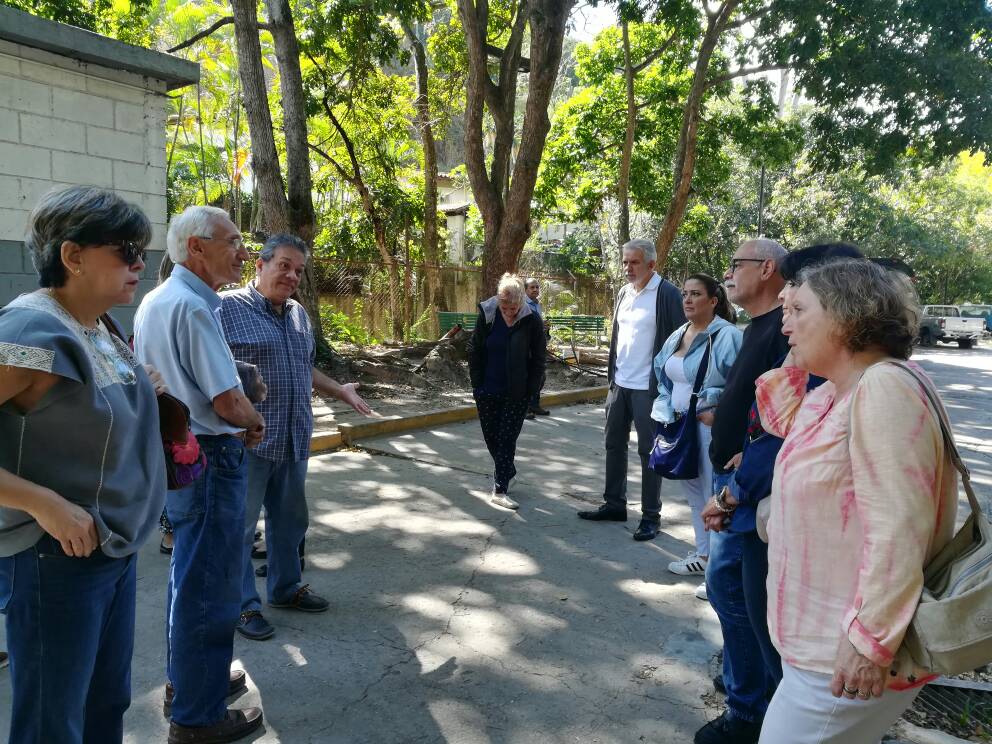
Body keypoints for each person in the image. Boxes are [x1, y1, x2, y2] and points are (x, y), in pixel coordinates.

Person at [755, 259, 958, 743]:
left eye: (800, 308)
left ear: (846, 318)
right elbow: (776, 414)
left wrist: (870, 642)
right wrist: (804, 338)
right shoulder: (837, 391)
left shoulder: (884, 387)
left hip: (842, 653)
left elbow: (899, 529)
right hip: (817, 643)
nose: (785, 319)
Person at [0, 186, 167, 743]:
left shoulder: (95, 323)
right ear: (72, 257)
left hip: (109, 549)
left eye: (142, 250)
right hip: (56, 556)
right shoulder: (30, 334)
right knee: (54, 719)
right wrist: (43, 504)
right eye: (124, 250)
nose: (140, 264)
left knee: (103, 703)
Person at [696, 243, 863, 744]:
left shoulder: (873, 386)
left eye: (798, 298)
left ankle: (756, 710)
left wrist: (735, 492)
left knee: (758, 615)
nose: (789, 312)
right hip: (752, 498)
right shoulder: (783, 340)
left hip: (760, 504)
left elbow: (782, 439)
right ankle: (756, 703)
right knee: (738, 599)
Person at [134, 206, 265, 744]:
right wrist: (254, 422)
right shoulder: (192, 307)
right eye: (232, 241)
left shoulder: (158, 299)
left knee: (190, 578)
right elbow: (228, 400)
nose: (242, 251)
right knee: (208, 587)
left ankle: (188, 683)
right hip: (210, 456)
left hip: (184, 456)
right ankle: (198, 714)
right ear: (196, 248)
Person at [220, 233, 372, 641]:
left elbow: (305, 369)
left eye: (299, 270)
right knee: (240, 528)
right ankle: (242, 606)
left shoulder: (298, 314)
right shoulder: (226, 308)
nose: (291, 275)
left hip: (293, 437)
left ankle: (286, 589)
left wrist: (340, 390)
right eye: (284, 265)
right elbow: (209, 373)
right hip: (248, 441)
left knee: (290, 524)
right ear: (260, 264)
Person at [692, 237, 788, 744]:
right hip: (735, 476)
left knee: (732, 590)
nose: (728, 272)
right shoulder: (760, 327)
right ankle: (746, 683)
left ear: (766, 268)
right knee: (735, 593)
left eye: (737, 264)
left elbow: (783, 420)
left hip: (746, 485)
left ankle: (749, 705)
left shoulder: (783, 329)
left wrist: (743, 470)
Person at [577, 238, 684, 541]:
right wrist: (612, 377)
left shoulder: (667, 294)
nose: (627, 268)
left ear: (651, 264)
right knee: (613, 444)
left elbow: (681, 340)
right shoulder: (624, 292)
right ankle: (614, 504)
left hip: (648, 388)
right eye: (625, 262)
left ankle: (651, 516)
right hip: (619, 383)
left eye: (634, 262)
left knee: (649, 452)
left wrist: (672, 387)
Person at [651, 274, 742, 594]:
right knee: (693, 495)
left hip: (707, 429)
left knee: (713, 496)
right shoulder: (680, 333)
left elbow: (741, 384)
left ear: (713, 301)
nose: (687, 300)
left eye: (696, 294)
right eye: (685, 295)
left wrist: (718, 411)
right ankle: (703, 556)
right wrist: (665, 407)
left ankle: (717, 572)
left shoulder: (727, 336)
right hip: (678, 424)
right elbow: (664, 374)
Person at [467, 273, 547, 510]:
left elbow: (539, 358)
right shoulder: (488, 312)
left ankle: (500, 488)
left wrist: (532, 390)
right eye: (505, 307)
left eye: (513, 307)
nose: (509, 312)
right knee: (491, 437)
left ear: (521, 301)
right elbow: (475, 348)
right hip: (487, 388)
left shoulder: (531, 318)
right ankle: (508, 470)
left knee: (506, 439)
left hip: (517, 391)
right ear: (498, 300)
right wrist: (476, 384)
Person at [524, 277, 550, 418]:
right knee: (528, 377)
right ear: (525, 290)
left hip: (538, 346)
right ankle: (524, 407)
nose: (535, 289)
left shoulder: (537, 305)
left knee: (540, 375)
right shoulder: (522, 304)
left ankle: (534, 404)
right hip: (526, 347)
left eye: (537, 287)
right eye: (532, 287)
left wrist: (544, 327)